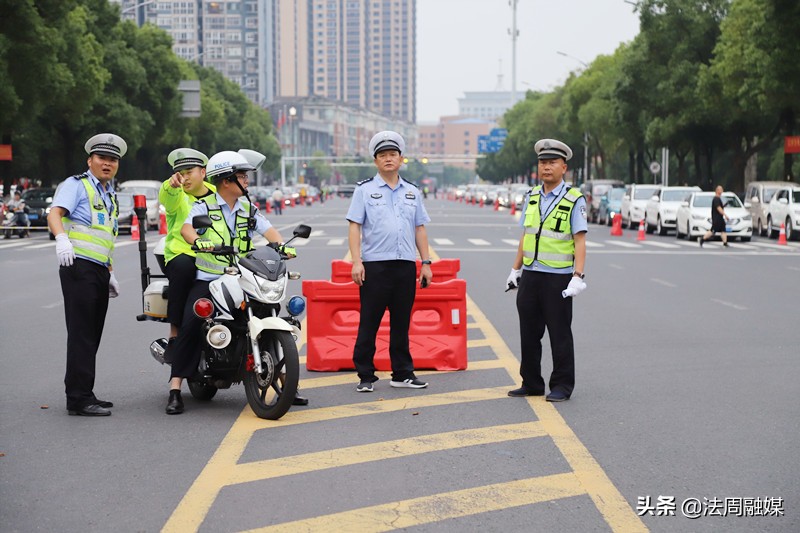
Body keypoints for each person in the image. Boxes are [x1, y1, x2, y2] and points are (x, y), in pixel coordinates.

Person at [165, 150, 307, 414]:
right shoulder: (204, 206)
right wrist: (198, 241)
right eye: (242, 176)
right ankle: (175, 387)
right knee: (192, 321)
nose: (247, 181)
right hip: (210, 279)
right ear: (227, 181)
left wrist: (281, 246)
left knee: (271, 311)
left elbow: (269, 231)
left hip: (244, 278)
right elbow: (186, 228)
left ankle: (286, 382)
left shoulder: (248, 209)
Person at [46, 133, 126, 417]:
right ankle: (78, 399)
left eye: (113, 159)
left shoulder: (108, 193)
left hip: (98, 269)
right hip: (78, 265)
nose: (107, 163)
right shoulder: (76, 185)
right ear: (90, 160)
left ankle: (84, 391)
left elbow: (105, 237)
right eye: (102, 158)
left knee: (92, 334)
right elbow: (55, 213)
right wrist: (61, 239)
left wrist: (110, 272)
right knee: (81, 333)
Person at [347, 131, 433, 393]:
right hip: (375, 266)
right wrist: (356, 262)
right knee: (369, 322)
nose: (388, 159)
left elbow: (420, 228)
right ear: (375, 161)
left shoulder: (412, 191)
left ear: (401, 159)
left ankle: (402, 373)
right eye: (382, 155)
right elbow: (354, 227)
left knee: (401, 323)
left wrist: (426, 262)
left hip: (405, 266)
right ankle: (365, 375)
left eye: (392, 155)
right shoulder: (364, 190)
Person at [506, 139, 588, 402]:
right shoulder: (530, 196)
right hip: (530, 275)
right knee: (528, 333)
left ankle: (562, 385)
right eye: (543, 162)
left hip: (558, 278)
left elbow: (580, 240)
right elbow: (525, 236)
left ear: (564, 167)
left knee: (559, 334)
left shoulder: (574, 199)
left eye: (552, 162)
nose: (546, 167)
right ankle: (531, 382)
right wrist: (515, 269)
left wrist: (577, 276)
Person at [159, 148, 214, 350]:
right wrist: (172, 186)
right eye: (181, 173)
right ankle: (174, 332)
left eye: (189, 171)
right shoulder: (175, 191)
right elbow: (166, 197)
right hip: (182, 253)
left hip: (215, 254)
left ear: (203, 172)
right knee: (184, 269)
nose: (184, 177)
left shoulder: (217, 195)